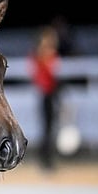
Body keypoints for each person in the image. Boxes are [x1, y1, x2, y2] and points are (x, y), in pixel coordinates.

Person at [28, 25, 61, 170]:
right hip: (46, 94)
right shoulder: (41, 56)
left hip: (52, 93)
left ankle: (48, 159)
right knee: (47, 128)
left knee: (51, 127)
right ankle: (45, 160)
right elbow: (40, 75)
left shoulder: (49, 55)